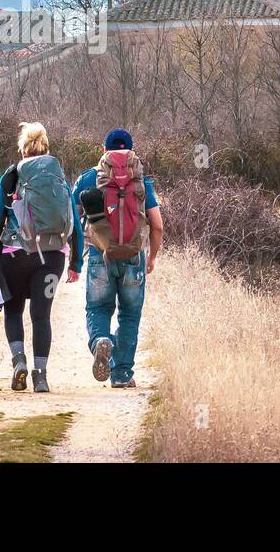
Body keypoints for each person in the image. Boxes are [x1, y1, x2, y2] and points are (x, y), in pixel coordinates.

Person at [0, 122, 82, 393]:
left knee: (13, 311)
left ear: (23, 148)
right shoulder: (58, 176)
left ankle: (19, 362)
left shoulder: (12, 176)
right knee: (42, 316)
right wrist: (75, 262)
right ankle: (41, 376)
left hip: (15, 255)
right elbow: (74, 221)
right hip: (52, 258)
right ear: (46, 146)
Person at [71, 128, 163, 388]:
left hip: (101, 256)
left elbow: (72, 222)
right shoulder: (141, 181)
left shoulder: (90, 178)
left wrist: (75, 256)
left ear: (104, 151)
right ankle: (122, 375)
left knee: (98, 308)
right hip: (134, 257)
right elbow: (157, 225)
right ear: (131, 150)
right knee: (130, 315)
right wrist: (152, 257)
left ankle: (102, 340)